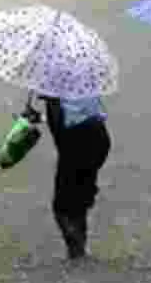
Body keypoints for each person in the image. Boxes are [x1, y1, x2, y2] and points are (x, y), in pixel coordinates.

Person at [37, 90, 111, 261]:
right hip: (99, 140)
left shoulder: (55, 103)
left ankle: (76, 248)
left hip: (76, 144)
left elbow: (61, 131)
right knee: (80, 196)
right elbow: (76, 112)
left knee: (62, 205)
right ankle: (79, 247)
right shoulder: (86, 87)